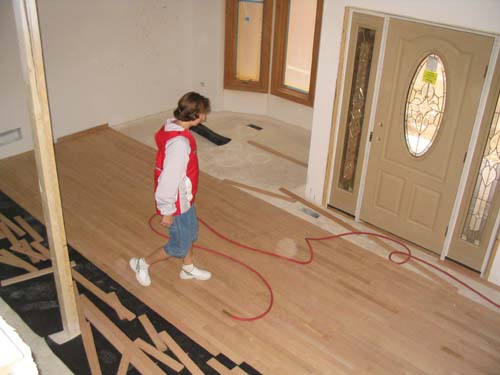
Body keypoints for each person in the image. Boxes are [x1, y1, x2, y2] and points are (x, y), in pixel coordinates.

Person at [129, 92, 211, 286]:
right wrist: (167, 211)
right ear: (196, 115)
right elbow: (168, 181)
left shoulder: (173, 127)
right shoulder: (180, 144)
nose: (205, 116)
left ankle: (188, 268)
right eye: (203, 113)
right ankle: (143, 263)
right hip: (176, 202)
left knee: (190, 233)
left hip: (185, 197)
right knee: (179, 246)